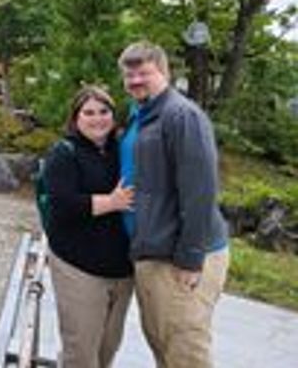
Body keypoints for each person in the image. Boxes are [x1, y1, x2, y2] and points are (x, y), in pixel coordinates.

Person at [118, 41, 229, 368]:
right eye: (129, 75)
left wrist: (191, 258)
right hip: (150, 251)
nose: (136, 80)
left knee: (186, 352)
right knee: (163, 348)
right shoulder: (142, 114)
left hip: (178, 259)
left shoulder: (181, 115)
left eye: (144, 73)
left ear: (163, 72)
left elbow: (200, 192)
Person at [46, 85, 135, 368]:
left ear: (114, 116)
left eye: (104, 111)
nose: (97, 118)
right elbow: (62, 205)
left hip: (122, 269)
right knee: (82, 352)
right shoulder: (64, 152)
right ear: (76, 118)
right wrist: (111, 202)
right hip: (78, 267)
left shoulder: (122, 150)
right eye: (89, 113)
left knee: (107, 349)